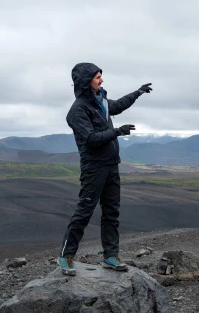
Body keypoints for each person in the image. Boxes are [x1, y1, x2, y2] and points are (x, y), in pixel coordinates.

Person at [58, 62, 152, 275]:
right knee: (84, 212)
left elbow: (117, 105)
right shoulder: (78, 110)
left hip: (111, 165)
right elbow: (91, 139)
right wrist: (117, 131)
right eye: (97, 77)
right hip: (94, 168)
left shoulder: (100, 101)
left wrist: (137, 93)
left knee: (111, 212)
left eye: (101, 76)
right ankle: (65, 256)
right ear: (86, 81)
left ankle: (110, 256)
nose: (101, 80)